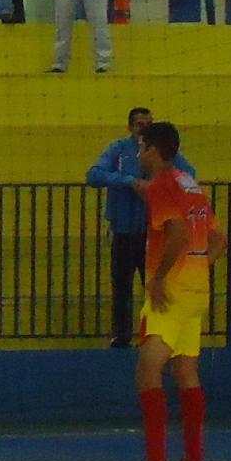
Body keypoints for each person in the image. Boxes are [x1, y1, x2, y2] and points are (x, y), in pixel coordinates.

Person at [116, 122, 223, 461]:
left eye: (142, 146)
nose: (139, 153)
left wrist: (159, 277)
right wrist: (199, 264)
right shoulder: (189, 183)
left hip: (172, 294)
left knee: (148, 371)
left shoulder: (161, 185)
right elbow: (218, 239)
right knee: (186, 373)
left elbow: (177, 231)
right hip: (197, 292)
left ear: (154, 150)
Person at [87, 106, 195, 347]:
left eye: (148, 124)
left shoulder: (165, 153)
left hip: (153, 233)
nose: (144, 128)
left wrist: (158, 185)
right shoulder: (118, 149)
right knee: (121, 286)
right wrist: (129, 182)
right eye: (139, 124)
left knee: (156, 283)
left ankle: (156, 332)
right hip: (123, 230)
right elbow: (93, 175)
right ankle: (121, 335)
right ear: (130, 127)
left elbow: (190, 173)